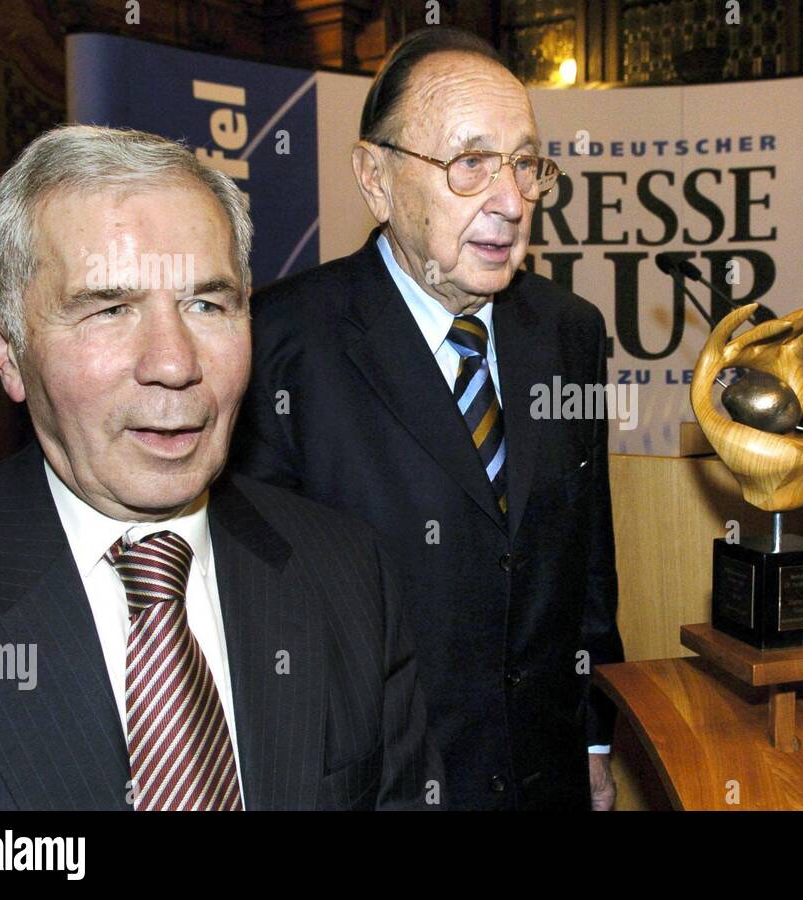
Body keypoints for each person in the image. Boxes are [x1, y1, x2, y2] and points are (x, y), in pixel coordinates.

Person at [0, 124, 441, 810]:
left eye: (207, 304)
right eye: (111, 308)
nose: (174, 364)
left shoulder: (349, 573)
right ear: (3, 348)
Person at [234, 27, 624, 811]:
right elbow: (255, 613)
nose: (510, 201)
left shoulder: (569, 332)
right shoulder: (279, 342)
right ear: (375, 178)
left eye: (524, 164)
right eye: (470, 163)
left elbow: (585, 558)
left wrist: (592, 738)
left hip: (545, 779)